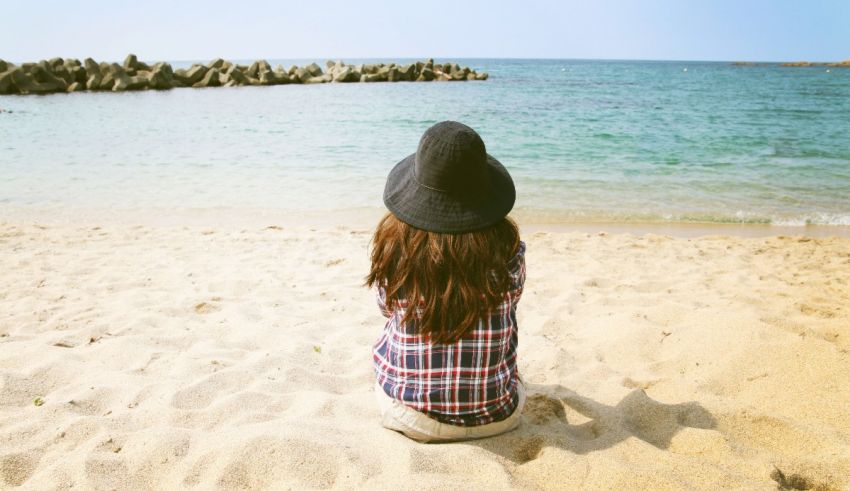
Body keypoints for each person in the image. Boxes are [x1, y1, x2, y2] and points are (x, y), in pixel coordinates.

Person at [365, 121, 526, 442]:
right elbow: (513, 298)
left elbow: (386, 308)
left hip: (410, 418)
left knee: (388, 340)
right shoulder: (509, 251)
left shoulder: (395, 248)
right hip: (497, 417)